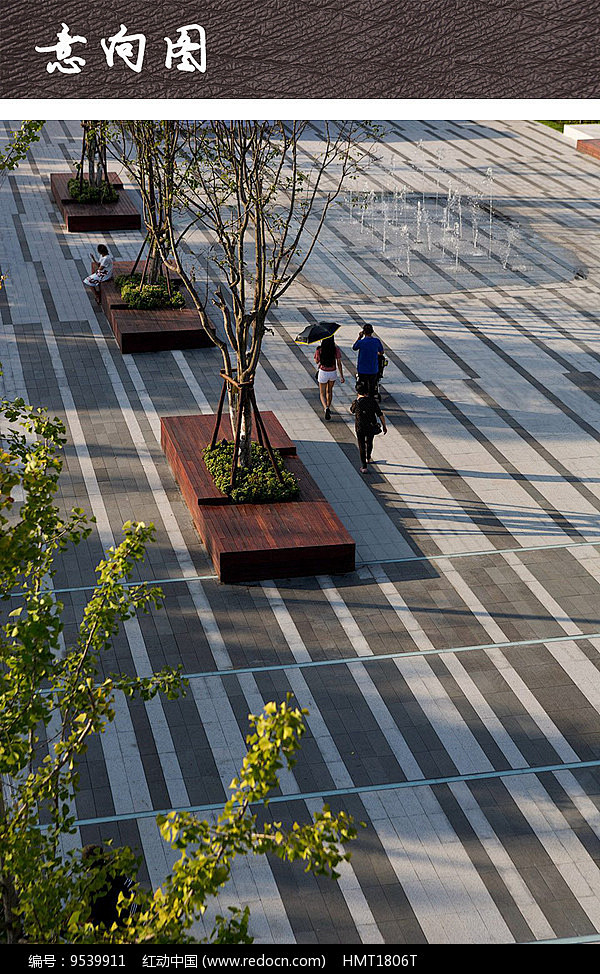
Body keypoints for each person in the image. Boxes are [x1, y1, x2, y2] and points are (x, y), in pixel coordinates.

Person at [80, 844, 137, 930]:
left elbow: (89, 920)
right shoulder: (119, 878)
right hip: (127, 927)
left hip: (108, 933)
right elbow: (134, 897)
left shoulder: (91, 890)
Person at [350, 379, 387, 473]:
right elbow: (380, 414)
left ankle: (364, 466)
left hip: (360, 427)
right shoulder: (372, 401)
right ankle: (368, 457)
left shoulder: (357, 402)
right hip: (371, 426)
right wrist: (384, 426)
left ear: (357, 392)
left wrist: (357, 400)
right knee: (369, 441)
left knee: (361, 445)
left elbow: (352, 410)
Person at [314, 335, 345, 420]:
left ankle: (326, 408)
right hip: (332, 372)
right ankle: (328, 405)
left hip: (323, 372)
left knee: (322, 393)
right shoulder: (335, 349)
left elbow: (317, 361)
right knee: (329, 391)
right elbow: (339, 363)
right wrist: (341, 376)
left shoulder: (319, 349)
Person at [352, 322, 384, 398]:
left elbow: (354, 347)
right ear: (372, 332)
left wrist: (359, 337)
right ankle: (371, 399)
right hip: (373, 369)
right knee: (372, 386)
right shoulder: (376, 341)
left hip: (362, 369)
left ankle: (363, 398)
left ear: (364, 332)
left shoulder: (361, 342)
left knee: (363, 386)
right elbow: (381, 352)